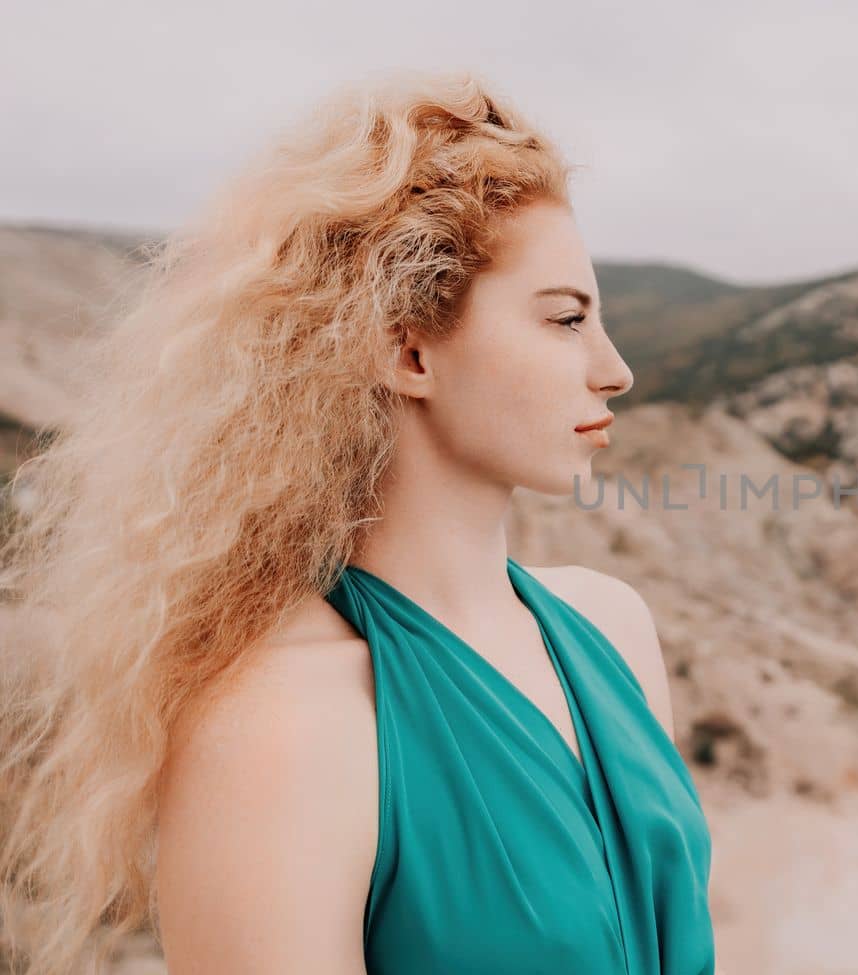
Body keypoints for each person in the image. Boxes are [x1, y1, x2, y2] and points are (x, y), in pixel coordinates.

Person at [0, 69, 715, 974]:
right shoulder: (279, 723)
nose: (615, 370)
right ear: (406, 349)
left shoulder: (614, 627)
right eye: (567, 319)